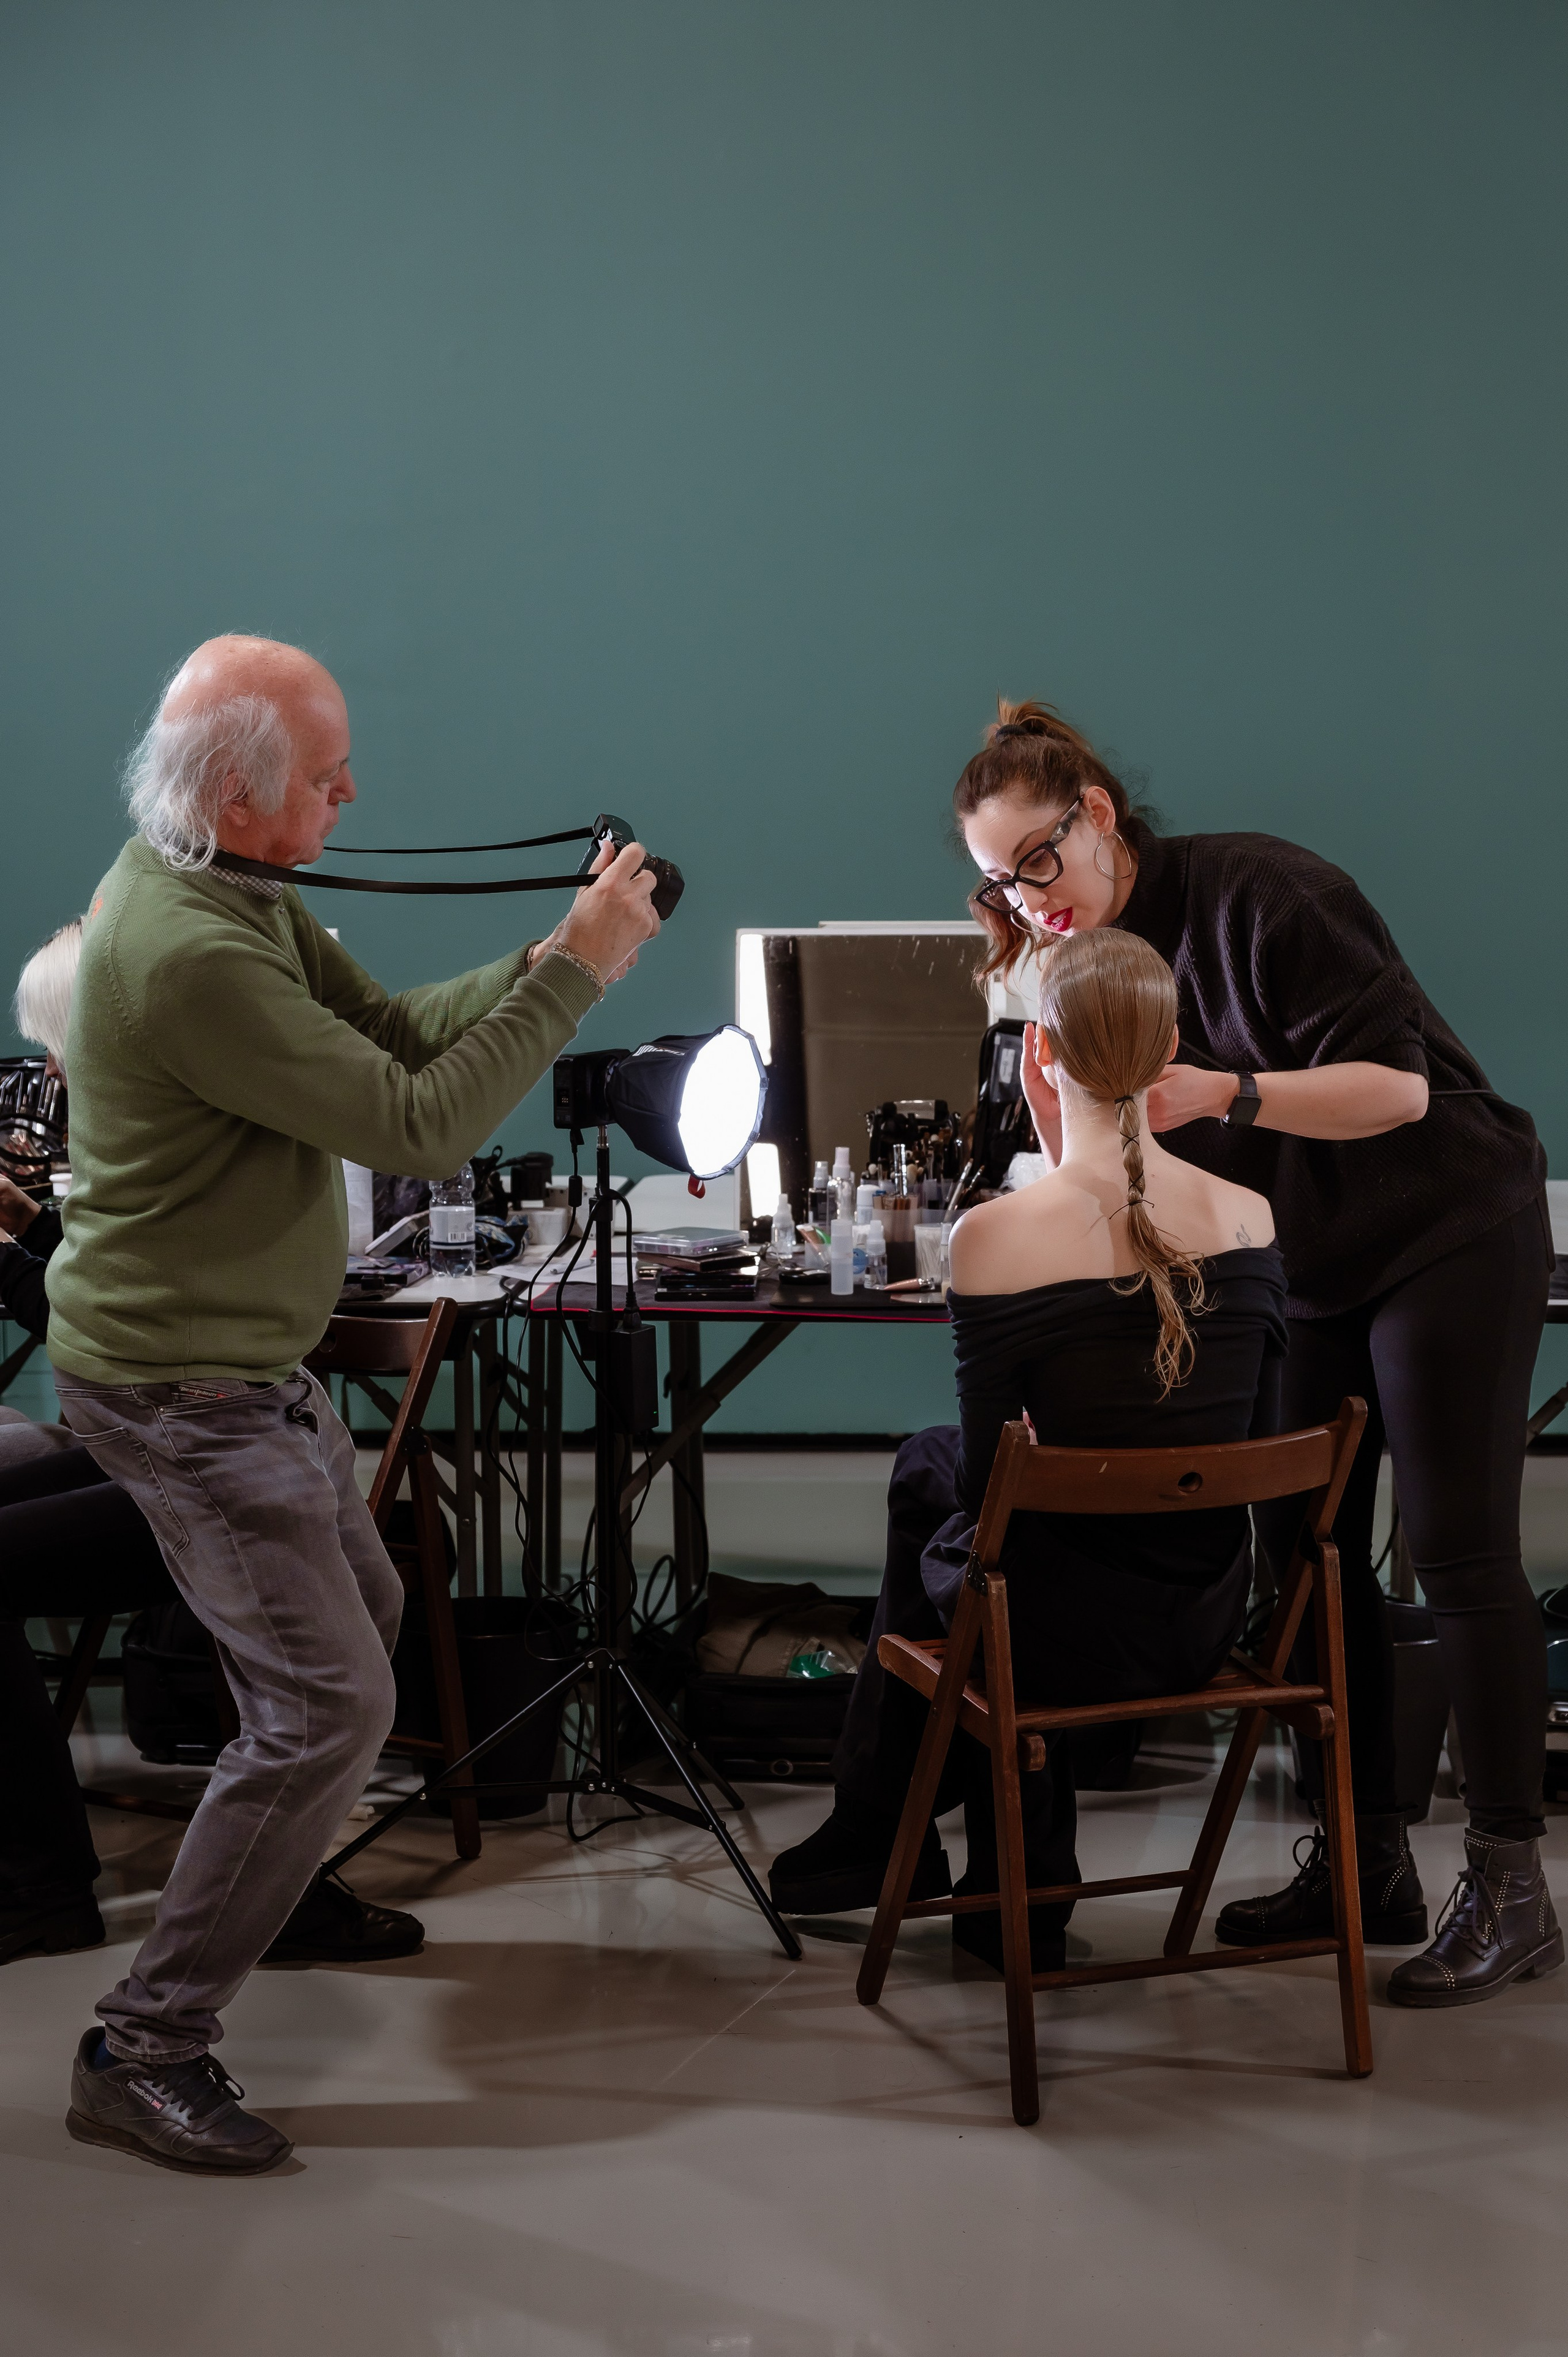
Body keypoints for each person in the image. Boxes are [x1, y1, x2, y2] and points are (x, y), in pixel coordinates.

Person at [47, 634, 662, 2176]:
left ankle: (279, 1872)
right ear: (243, 796)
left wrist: (539, 960)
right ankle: (145, 2044)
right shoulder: (187, 948)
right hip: (182, 1387)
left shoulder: (218, 887)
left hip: (248, 1364)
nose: (352, 793)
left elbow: (390, 1034)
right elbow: (424, 1119)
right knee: (329, 1704)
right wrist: (582, 973)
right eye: (327, 780)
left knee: (363, 1615)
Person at [950, 700, 1558, 2009]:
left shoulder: (1261, 892)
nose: (1024, 898)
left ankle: (1511, 1888)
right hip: (1308, 1259)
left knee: (1454, 1551)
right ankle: (1366, 1859)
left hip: (1447, 1223)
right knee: (1301, 1558)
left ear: (1096, 813)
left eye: (1036, 862)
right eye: (995, 880)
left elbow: (1395, 1091)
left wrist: (1218, 1090)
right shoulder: (1082, 955)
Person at [770, 929, 1288, 1972]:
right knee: (986, 1529)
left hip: (1047, 1638)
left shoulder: (996, 1237)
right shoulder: (1251, 1215)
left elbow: (978, 1483)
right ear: (1173, 1047)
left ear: (1037, 1055)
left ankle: (925, 1845)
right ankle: (984, 1878)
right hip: (1203, 1619)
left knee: (939, 1494)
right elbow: (1256, 1447)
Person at [0, 923, 415, 1971]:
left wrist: (13, 1252)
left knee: (322, 1682)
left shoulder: (157, 1144)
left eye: (58, 1058)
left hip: (204, 1463)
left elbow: (110, 1331)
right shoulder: (169, 1126)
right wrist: (31, 1236)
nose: (49, 1081)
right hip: (190, 1442)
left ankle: (40, 1885)